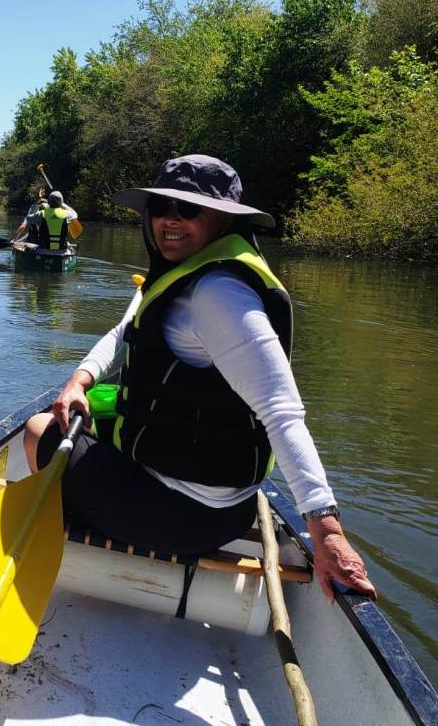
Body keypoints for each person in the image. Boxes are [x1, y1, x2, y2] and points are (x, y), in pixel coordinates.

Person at [23, 154, 376, 603]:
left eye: (189, 209)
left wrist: (325, 530)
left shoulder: (217, 295)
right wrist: (80, 380)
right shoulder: (182, 272)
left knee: (38, 431)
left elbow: (282, 411)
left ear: (222, 221)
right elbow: (123, 331)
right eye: (162, 207)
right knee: (83, 412)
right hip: (219, 504)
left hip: (186, 516)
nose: (171, 220)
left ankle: (75, 531)